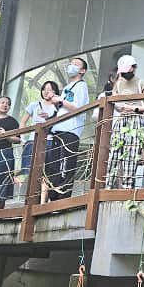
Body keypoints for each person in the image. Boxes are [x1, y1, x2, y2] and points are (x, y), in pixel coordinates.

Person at [106, 55, 144, 189]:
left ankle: (127, 188)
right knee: (114, 154)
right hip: (121, 120)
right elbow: (113, 101)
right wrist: (121, 107)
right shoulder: (118, 83)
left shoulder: (141, 83)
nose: (125, 74)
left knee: (131, 156)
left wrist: (133, 108)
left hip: (136, 121)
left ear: (134, 68)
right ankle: (107, 187)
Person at [47, 57, 90, 200]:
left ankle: (62, 200)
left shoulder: (81, 86)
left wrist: (60, 100)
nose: (71, 66)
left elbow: (78, 108)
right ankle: (52, 199)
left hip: (70, 131)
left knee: (66, 166)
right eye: (71, 63)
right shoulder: (67, 88)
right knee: (54, 167)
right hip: (58, 130)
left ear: (82, 70)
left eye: (76, 65)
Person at [19, 80, 63, 181]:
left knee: (48, 172)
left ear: (55, 91)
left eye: (50, 89)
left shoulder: (58, 106)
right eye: (44, 89)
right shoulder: (34, 105)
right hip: (33, 140)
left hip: (51, 141)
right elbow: (23, 122)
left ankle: (42, 195)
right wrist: (22, 138)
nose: (46, 92)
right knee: (29, 170)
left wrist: (49, 117)